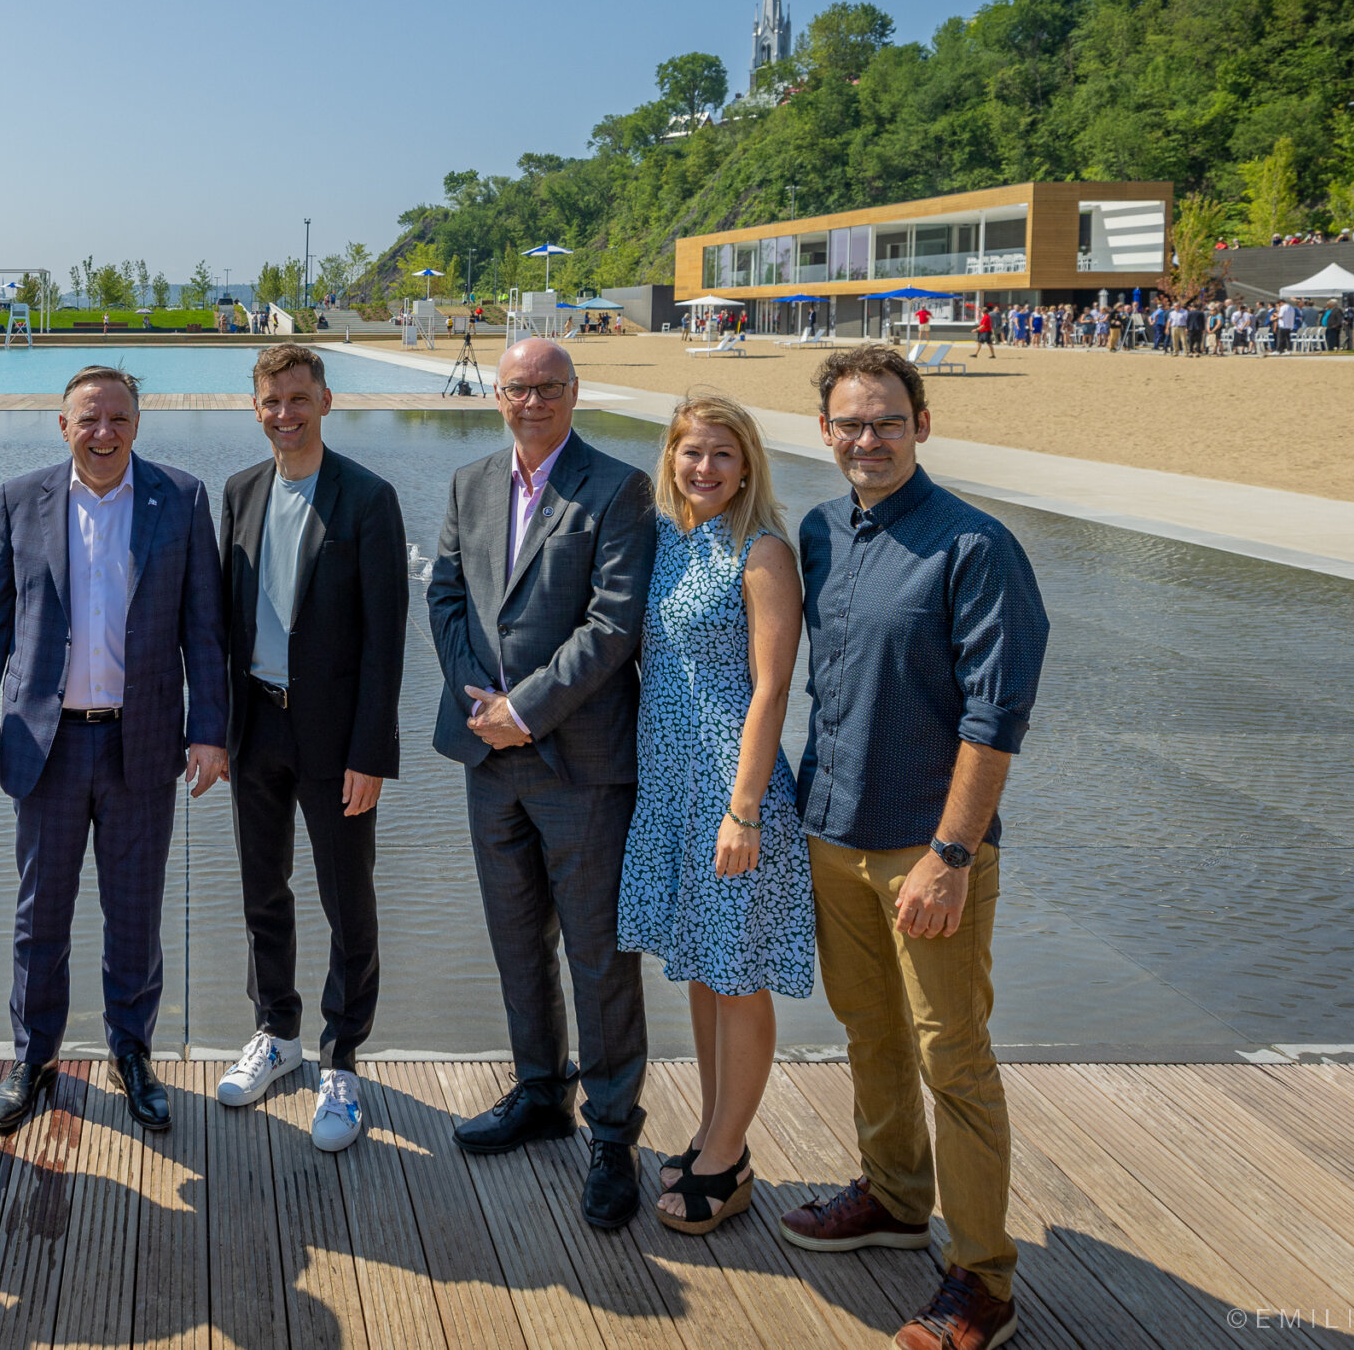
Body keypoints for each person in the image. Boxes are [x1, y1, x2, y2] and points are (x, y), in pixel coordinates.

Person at [778, 345, 1049, 1350]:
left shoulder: (974, 546)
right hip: (831, 829)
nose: (868, 438)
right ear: (825, 434)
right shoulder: (817, 532)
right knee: (868, 1031)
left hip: (928, 849)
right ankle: (894, 1195)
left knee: (953, 1055)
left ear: (921, 424)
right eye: (849, 422)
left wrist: (951, 853)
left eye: (887, 420)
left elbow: (996, 718)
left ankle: (982, 1275)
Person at [426, 337, 656, 1231]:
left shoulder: (619, 488)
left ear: (573, 392)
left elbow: (612, 624)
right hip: (488, 758)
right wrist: (476, 698)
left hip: (579, 765)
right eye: (518, 388)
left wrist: (525, 707)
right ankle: (538, 1091)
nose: (532, 401)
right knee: (516, 938)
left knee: (597, 956)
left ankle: (612, 1132)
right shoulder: (469, 482)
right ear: (498, 395)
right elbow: (444, 594)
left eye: (548, 388)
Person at [0, 365, 227, 1133]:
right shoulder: (20, 500)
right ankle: (33, 1056)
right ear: (63, 425)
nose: (103, 433)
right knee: (40, 914)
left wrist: (209, 729)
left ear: (137, 424)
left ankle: (133, 1054)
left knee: (135, 915)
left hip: (141, 745)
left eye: (117, 418)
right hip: (43, 746)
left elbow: (202, 628)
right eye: (89, 420)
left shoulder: (180, 498)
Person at [618, 394, 812, 1236]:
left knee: (737, 975)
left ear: (747, 465)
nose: (704, 468)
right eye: (692, 453)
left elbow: (772, 688)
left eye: (722, 455)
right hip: (670, 784)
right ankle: (708, 1131)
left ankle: (728, 1156)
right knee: (700, 967)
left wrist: (744, 811)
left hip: (735, 790)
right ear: (671, 458)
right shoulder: (664, 540)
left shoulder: (760, 551)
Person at [214, 346, 408, 1150]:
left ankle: (342, 1058)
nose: (285, 413)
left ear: (326, 400)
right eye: (271, 400)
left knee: (345, 899)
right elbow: (222, 623)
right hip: (256, 724)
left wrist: (371, 751)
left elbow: (385, 641)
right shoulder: (240, 492)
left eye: (299, 398)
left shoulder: (368, 498)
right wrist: (213, 731)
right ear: (255, 407)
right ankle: (278, 1033)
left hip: (335, 738)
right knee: (265, 890)